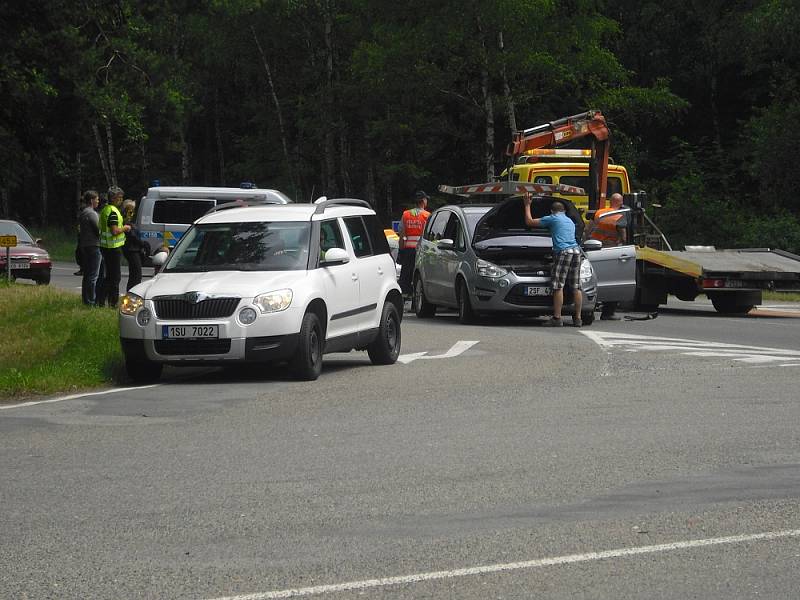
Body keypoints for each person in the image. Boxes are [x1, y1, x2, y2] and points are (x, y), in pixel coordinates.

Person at [522, 194, 583, 327]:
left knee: (558, 286)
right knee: (576, 286)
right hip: (576, 251)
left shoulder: (552, 218)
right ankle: (578, 318)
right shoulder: (570, 221)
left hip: (563, 251)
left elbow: (529, 222)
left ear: (552, 211)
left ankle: (557, 318)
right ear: (564, 211)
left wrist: (527, 204)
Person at [583, 192, 628, 320]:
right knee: (612, 281)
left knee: (593, 281)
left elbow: (588, 230)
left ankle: (589, 312)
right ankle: (608, 313)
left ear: (610, 201)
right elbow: (624, 237)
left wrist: (586, 243)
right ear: (620, 202)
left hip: (594, 249)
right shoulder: (620, 216)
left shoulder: (599, 212)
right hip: (610, 251)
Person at [96, 185, 130, 307]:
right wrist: (125, 228)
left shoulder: (106, 209)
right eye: (120, 197)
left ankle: (100, 301)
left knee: (109, 276)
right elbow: (114, 231)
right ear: (114, 198)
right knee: (115, 278)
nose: (121, 200)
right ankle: (112, 303)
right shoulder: (113, 212)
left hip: (106, 247)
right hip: (113, 248)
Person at [398, 190, 431, 297]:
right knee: (419, 276)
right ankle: (416, 301)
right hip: (422, 251)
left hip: (408, 250)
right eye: (426, 199)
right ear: (423, 201)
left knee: (406, 275)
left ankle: (404, 297)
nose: (427, 201)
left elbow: (402, 234)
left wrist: (401, 250)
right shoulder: (427, 215)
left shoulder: (406, 214)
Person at [77, 190, 101, 306]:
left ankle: (86, 300)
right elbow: (99, 229)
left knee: (87, 274)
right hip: (93, 246)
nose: (98, 201)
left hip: (85, 246)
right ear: (91, 200)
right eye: (96, 199)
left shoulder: (83, 212)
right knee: (93, 275)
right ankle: (91, 301)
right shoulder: (91, 213)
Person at [121, 199, 145, 291]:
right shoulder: (125, 222)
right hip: (131, 250)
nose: (132, 213)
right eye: (130, 211)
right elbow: (132, 236)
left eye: (133, 211)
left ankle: (132, 294)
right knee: (136, 275)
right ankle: (132, 294)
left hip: (134, 249)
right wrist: (142, 243)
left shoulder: (129, 221)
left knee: (136, 274)